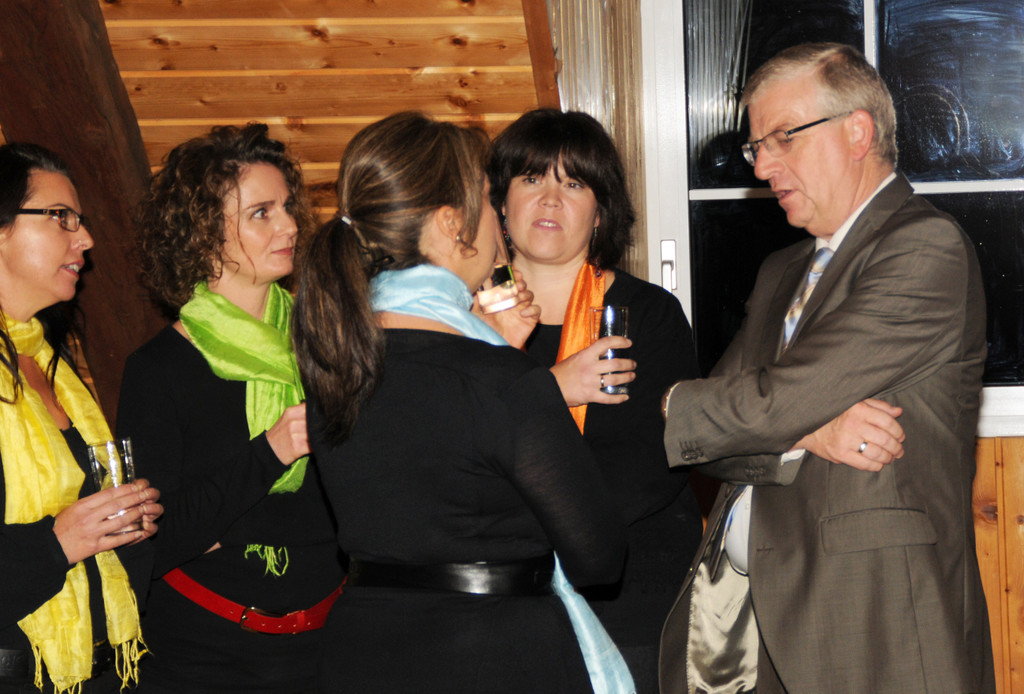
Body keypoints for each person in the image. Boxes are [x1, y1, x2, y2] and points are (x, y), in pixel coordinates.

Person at [659, 43, 994, 694]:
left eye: (783, 137)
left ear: (858, 132)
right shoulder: (781, 270)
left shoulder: (924, 248)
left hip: (876, 626)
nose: (764, 166)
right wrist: (807, 434)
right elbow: (728, 436)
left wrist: (681, 404)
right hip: (760, 630)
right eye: (757, 147)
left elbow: (759, 403)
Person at [292, 111, 626, 693]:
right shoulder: (501, 381)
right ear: (452, 224)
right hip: (495, 656)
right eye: (491, 202)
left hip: (363, 655)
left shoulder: (333, 369)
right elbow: (599, 557)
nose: (499, 220)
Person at [117, 124, 345, 693]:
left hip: (329, 647)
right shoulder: (159, 369)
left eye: (286, 207)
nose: (289, 225)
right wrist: (270, 452)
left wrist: (224, 524)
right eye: (261, 213)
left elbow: (362, 504)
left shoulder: (329, 345)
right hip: (204, 660)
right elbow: (154, 542)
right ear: (201, 232)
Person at [486, 108, 702, 692]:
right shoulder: (464, 317)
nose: (550, 199)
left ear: (600, 211)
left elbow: (646, 466)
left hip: (628, 597)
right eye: (532, 178)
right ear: (501, 202)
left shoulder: (648, 316)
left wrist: (501, 521)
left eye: (574, 183)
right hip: (498, 601)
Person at [0, 143, 162, 693]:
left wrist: (125, 527)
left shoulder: (51, 362)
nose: (85, 238)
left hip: (100, 672)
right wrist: (58, 544)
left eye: (81, 219)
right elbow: (58, 541)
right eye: (61, 217)